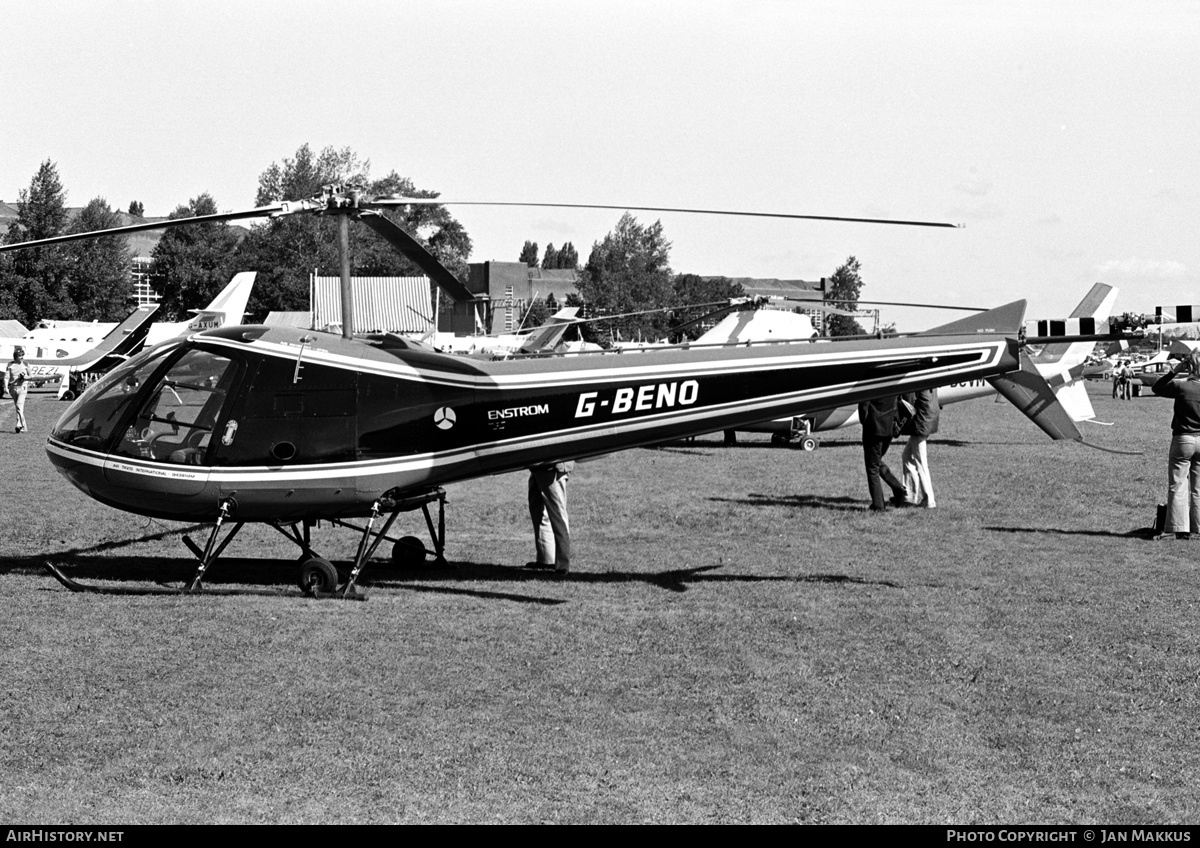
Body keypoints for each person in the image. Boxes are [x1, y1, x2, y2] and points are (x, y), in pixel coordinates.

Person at [1151, 352, 1200, 540]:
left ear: (1188, 367)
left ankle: (1178, 527)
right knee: (1198, 487)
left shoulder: (1181, 386)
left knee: (1178, 484)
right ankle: (1197, 527)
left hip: (1183, 439)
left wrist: (1174, 371)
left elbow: (1157, 387)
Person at [858, 395, 909, 511]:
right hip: (889, 428)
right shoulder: (891, 383)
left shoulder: (869, 384)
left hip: (874, 429)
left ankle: (879, 505)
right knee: (876, 462)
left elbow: (863, 406)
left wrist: (866, 423)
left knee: (872, 468)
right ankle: (898, 489)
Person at [527, 460, 574, 573]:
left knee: (558, 517)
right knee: (539, 512)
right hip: (538, 466)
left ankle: (562, 566)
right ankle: (545, 560)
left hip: (553, 467)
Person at [900, 387, 939, 508]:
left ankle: (929, 500)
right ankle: (909, 496)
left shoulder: (916, 379)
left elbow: (909, 401)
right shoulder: (931, 377)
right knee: (906, 456)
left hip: (920, 421)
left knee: (921, 462)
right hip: (928, 418)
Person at [6, 347, 31, 433]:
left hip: (22, 388)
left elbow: (31, 376)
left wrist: (24, 377)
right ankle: (19, 425)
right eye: (20, 356)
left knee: (19, 406)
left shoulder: (26, 364)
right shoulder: (10, 365)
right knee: (18, 407)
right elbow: (7, 377)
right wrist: (6, 387)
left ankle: (22, 426)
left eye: (22, 356)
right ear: (16, 357)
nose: (22, 357)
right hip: (13, 388)